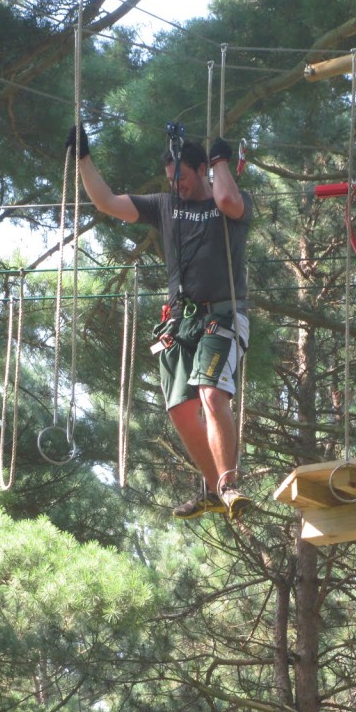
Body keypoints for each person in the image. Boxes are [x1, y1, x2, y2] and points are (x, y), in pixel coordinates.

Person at [66, 124, 252, 519]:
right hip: (181, 322)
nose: (176, 186)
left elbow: (227, 199)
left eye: (182, 177)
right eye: (171, 180)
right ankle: (213, 490)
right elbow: (106, 202)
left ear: (202, 170)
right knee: (180, 409)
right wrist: (83, 158)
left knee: (212, 394)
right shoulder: (166, 206)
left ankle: (229, 485)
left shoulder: (232, 203)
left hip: (222, 315)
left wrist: (220, 162)